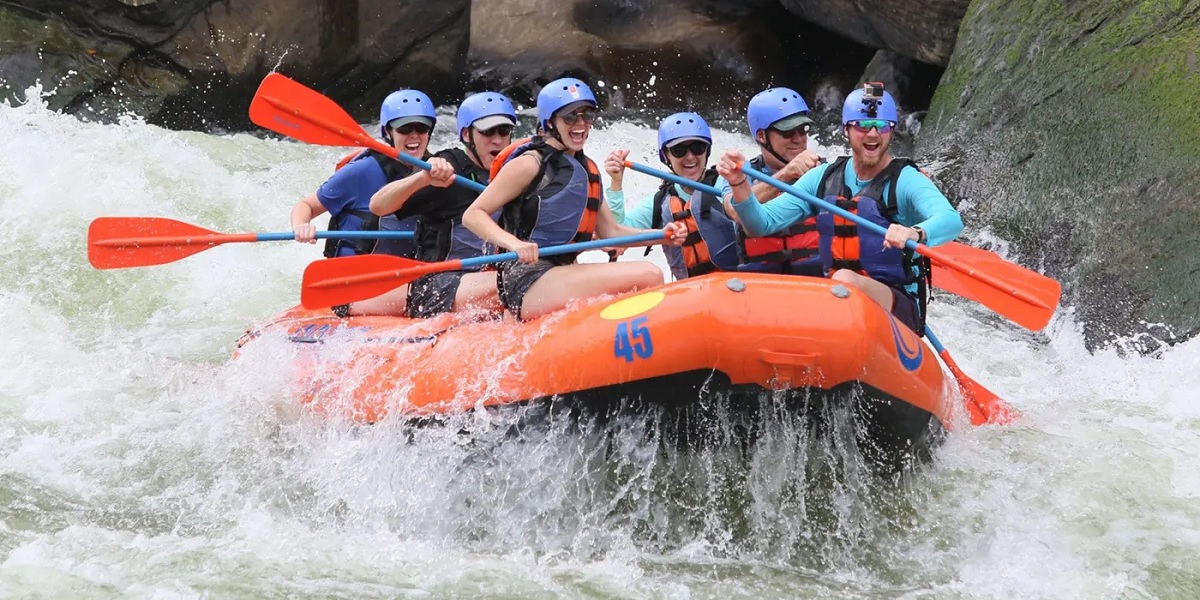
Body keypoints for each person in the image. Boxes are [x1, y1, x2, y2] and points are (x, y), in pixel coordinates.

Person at [716, 83, 964, 334]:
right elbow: (761, 224)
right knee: (835, 286)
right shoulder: (824, 177)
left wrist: (915, 232)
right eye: (863, 126)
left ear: (892, 130)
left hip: (895, 306)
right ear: (846, 129)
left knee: (844, 280)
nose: (873, 135)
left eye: (882, 126)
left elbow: (951, 219)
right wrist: (740, 187)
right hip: (837, 302)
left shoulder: (906, 179)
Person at [461, 77, 687, 321]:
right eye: (570, 117)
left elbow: (610, 232)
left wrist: (661, 235)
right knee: (650, 274)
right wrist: (514, 243)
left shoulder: (588, 169)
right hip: (526, 279)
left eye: (587, 115)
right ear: (550, 122)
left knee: (645, 275)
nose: (580, 124)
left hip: (561, 273)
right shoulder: (529, 164)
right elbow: (473, 215)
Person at [354, 92, 520, 318]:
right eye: (487, 132)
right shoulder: (448, 170)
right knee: (517, 282)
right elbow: (378, 206)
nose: (498, 140)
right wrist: (422, 178)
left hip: (488, 274)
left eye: (504, 131)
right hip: (438, 282)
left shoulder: (514, 170)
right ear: (466, 134)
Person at [290, 88, 436, 267]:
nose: (414, 135)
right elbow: (306, 205)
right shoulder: (363, 170)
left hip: (407, 272)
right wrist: (301, 226)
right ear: (388, 133)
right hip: (355, 269)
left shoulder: (437, 171)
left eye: (422, 128)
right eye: (404, 128)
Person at [603, 112, 738, 280]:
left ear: (707, 151)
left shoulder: (725, 184)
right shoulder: (660, 201)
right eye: (679, 150)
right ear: (666, 155)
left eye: (698, 148)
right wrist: (616, 183)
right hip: (690, 291)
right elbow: (615, 233)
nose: (690, 157)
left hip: (736, 284)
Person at [718, 87, 825, 276]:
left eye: (803, 129)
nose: (799, 138)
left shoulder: (824, 171)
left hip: (816, 279)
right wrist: (786, 174)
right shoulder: (738, 174)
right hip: (761, 283)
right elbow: (735, 211)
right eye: (788, 132)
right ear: (762, 136)